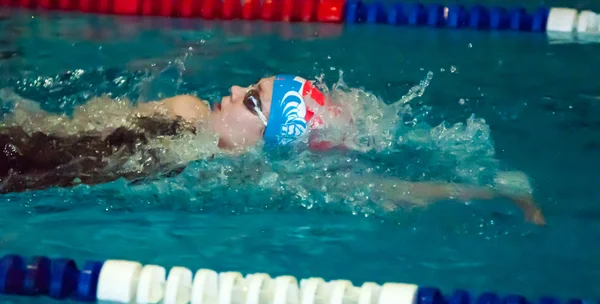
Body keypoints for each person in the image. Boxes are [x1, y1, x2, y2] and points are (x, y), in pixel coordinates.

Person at [0, 74, 545, 225]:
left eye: (252, 104)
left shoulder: (249, 176)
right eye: (248, 88)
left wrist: (491, 190)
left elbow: (385, 192)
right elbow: (64, 123)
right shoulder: (184, 112)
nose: (232, 92)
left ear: (269, 146)